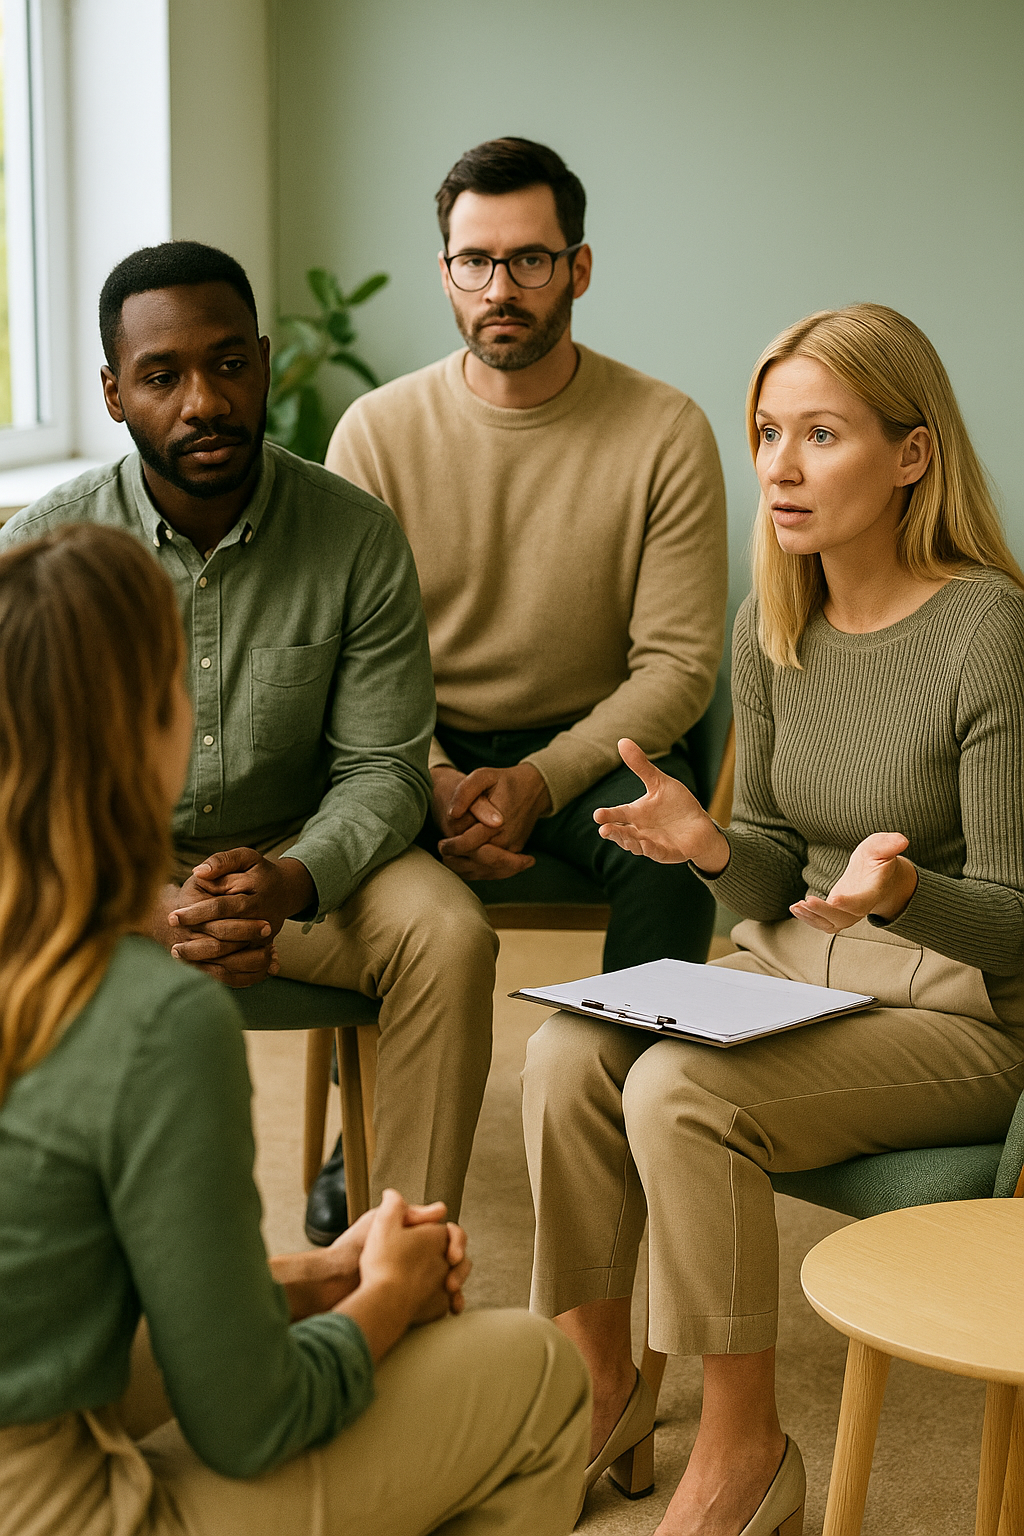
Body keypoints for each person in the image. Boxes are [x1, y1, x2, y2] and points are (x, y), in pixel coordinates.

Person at [521, 303, 1024, 1536]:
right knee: (563, 1053)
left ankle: (744, 1452)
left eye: (821, 434)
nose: (781, 467)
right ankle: (603, 1393)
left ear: (911, 455)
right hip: (796, 973)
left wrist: (904, 892)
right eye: (766, 432)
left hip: (955, 1018)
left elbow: (1016, 928)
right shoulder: (772, 624)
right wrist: (708, 847)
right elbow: (773, 880)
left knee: (675, 1091)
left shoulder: (990, 631)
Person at [0, 523, 589, 1536]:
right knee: (536, 1372)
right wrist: (387, 1305)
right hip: (52, 1504)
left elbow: (50, 1273)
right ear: (156, 727)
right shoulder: (150, 1020)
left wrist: (315, 1279)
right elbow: (252, 1421)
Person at [0, 241, 498, 1247]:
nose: (203, 402)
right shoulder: (49, 550)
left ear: (266, 363)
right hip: (111, 882)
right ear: (111, 392)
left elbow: (382, 768)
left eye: (228, 365)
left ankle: (396, 1259)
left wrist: (290, 880)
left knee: (448, 936)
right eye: (161, 375)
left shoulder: (354, 535)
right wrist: (143, 905)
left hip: (301, 867)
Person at [326, 138, 727, 971]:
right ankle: (378, 1087)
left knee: (676, 850)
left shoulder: (667, 430)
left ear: (578, 269)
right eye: (474, 261)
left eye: (530, 261)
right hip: (414, 744)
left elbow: (678, 666)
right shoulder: (375, 432)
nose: (500, 289)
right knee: (349, 839)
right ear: (445, 274)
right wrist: (433, 780)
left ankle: (637, 1088)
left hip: (599, 746)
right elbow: (348, 658)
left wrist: (540, 779)